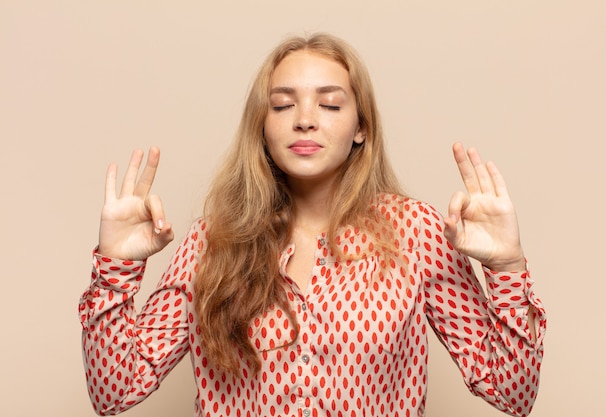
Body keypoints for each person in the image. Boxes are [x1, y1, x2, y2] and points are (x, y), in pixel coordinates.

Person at [79, 33, 546, 417]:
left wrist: (506, 268)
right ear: (261, 127)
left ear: (361, 126)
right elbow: (115, 391)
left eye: (330, 104)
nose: (304, 120)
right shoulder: (212, 242)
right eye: (282, 106)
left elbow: (512, 392)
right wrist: (115, 268)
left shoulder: (415, 232)